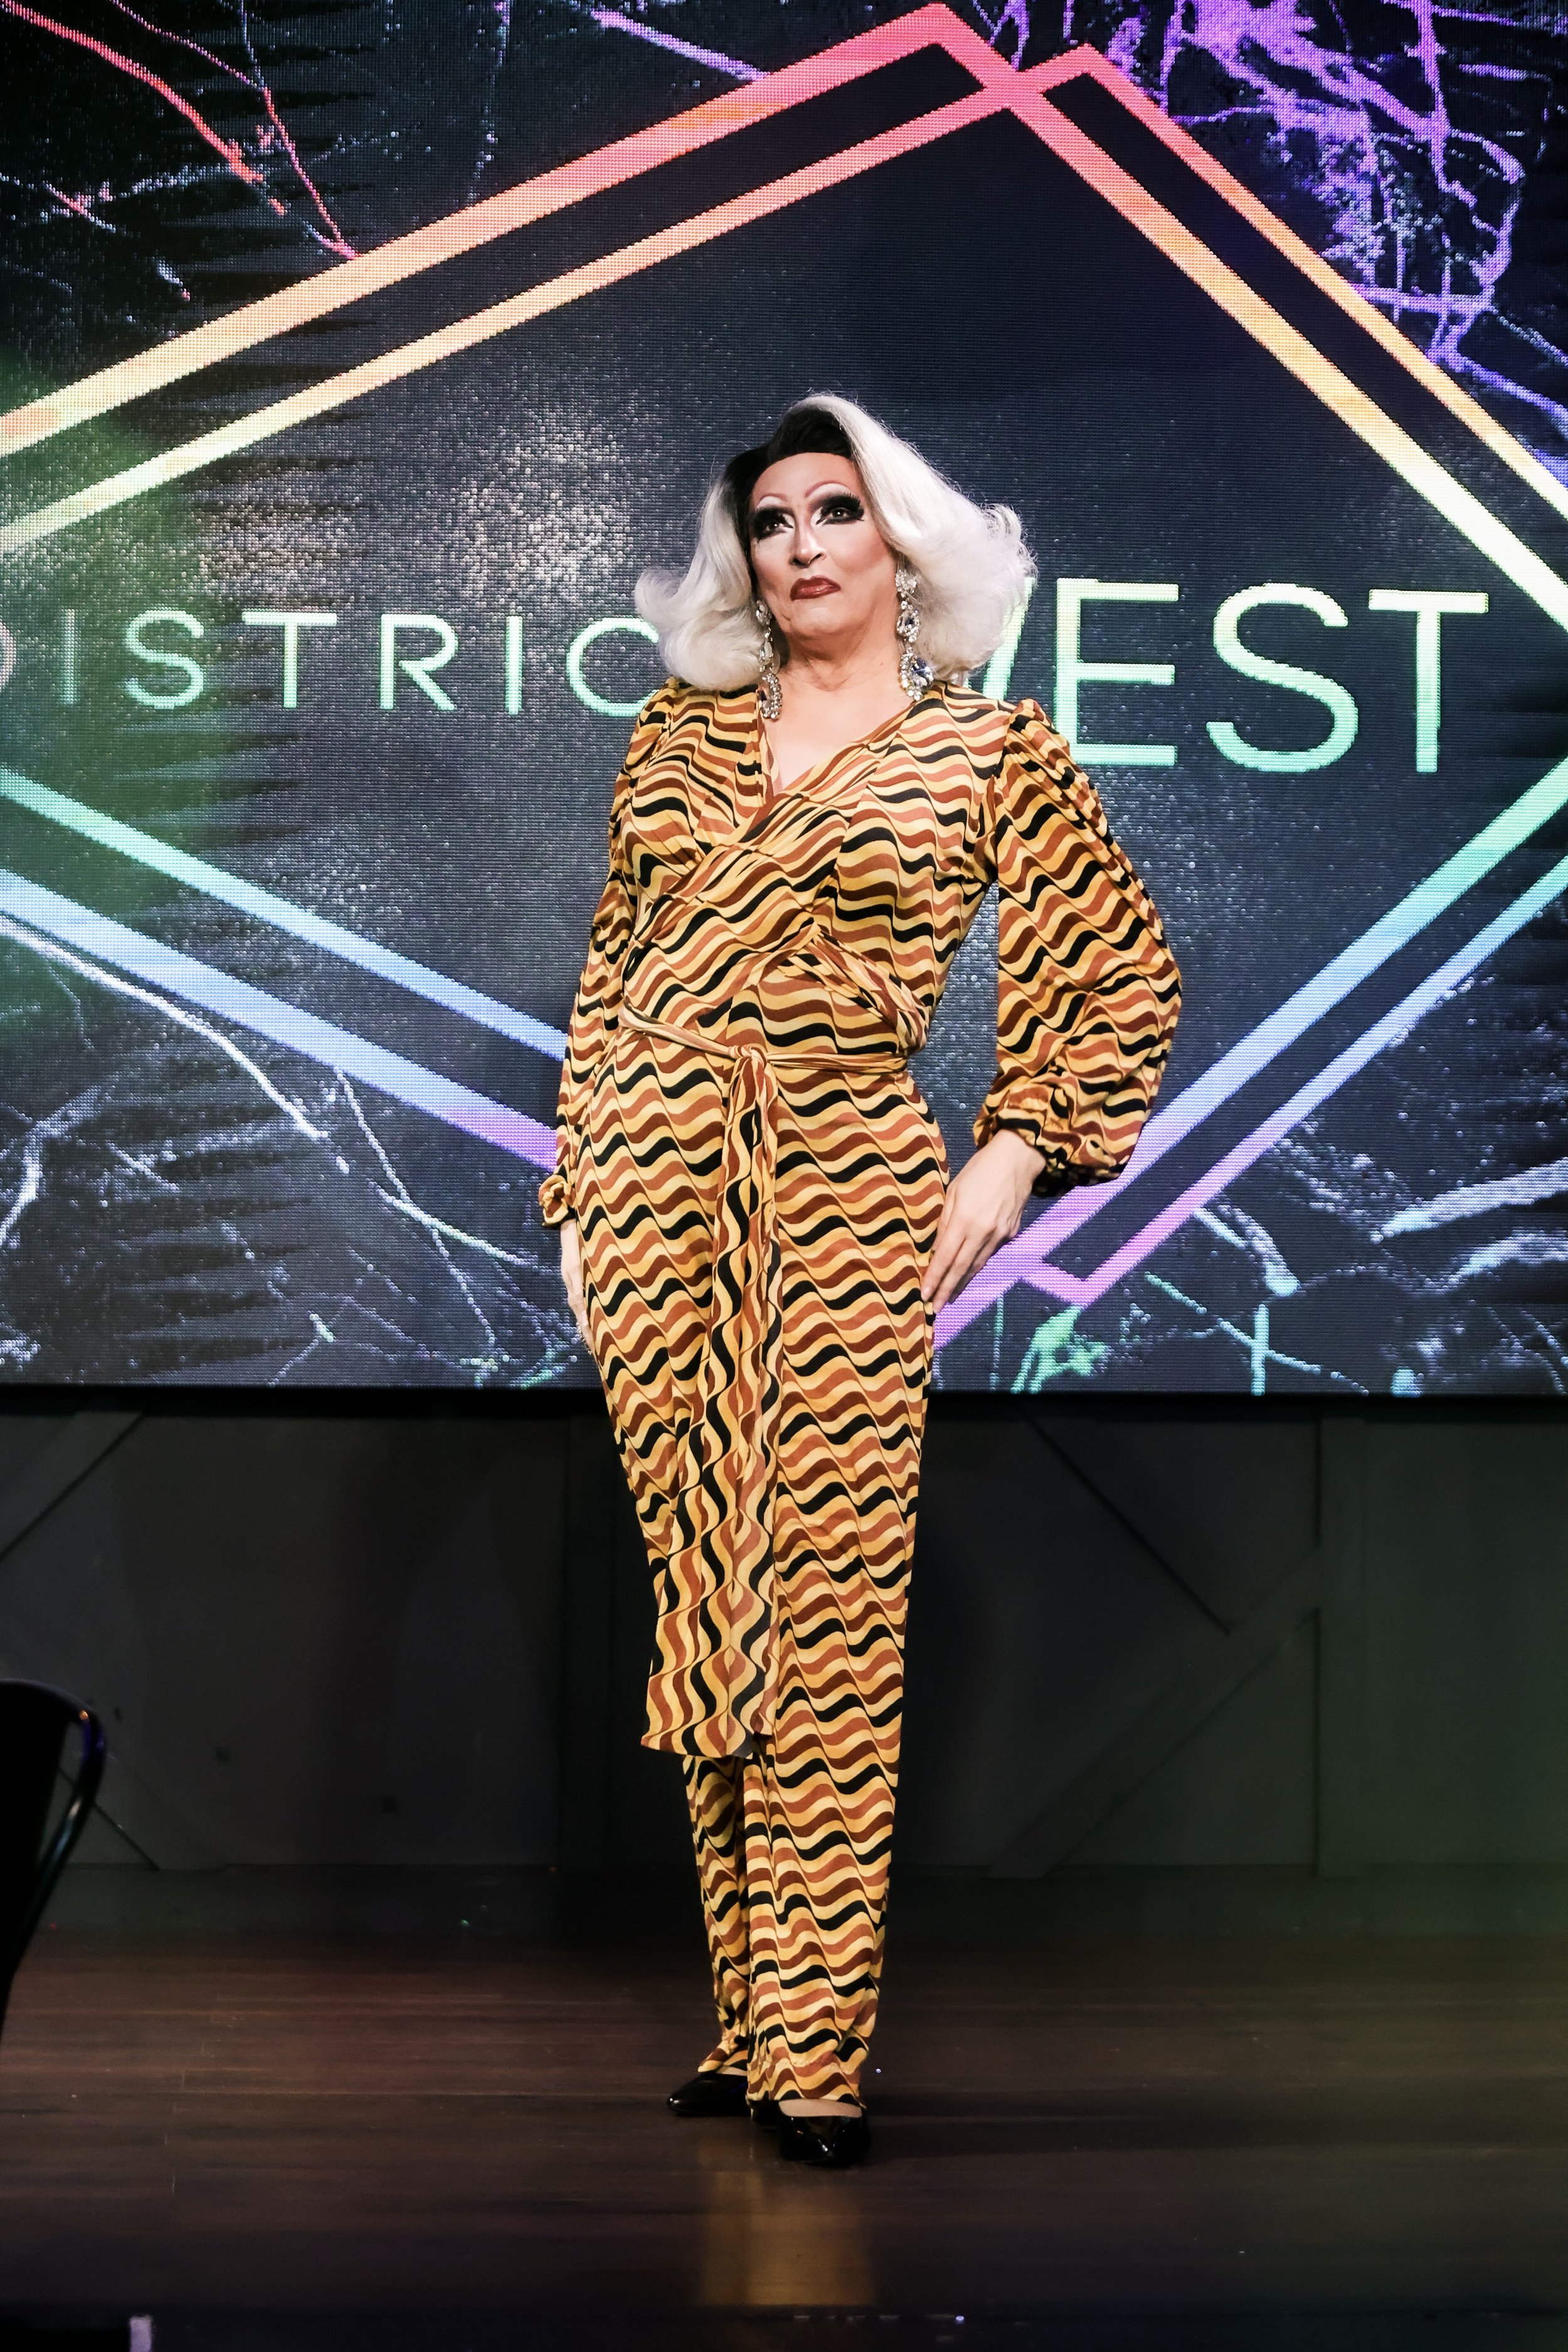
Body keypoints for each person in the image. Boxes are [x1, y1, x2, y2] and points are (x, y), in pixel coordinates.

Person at [539, 395, 1180, 2168]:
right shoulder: (676, 734)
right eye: (770, 522)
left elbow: (1116, 967)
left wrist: (1014, 1147)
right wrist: (582, 1188)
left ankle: (818, 2051)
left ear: (902, 539)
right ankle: (750, 2024)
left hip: (843, 1178)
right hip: (652, 1172)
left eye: (835, 511)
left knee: (823, 1606)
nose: (802, 545)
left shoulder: (992, 751)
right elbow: (610, 969)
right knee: (711, 1599)